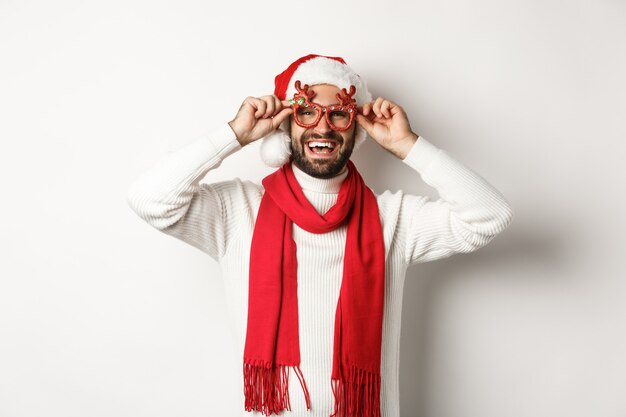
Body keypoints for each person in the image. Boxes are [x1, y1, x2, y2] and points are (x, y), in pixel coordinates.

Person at [126, 54, 514, 417]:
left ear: (356, 125)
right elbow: (149, 199)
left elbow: (489, 215)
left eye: (338, 114)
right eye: (306, 112)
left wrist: (407, 146)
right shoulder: (237, 211)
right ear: (285, 125)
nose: (323, 127)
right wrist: (235, 134)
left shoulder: (391, 218)